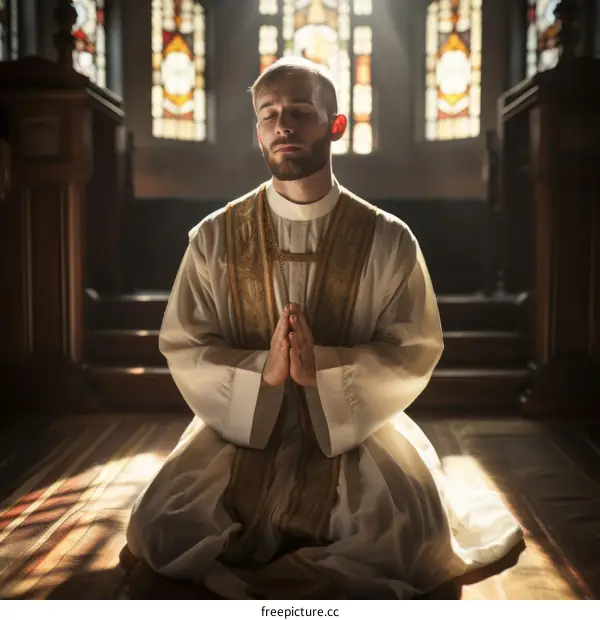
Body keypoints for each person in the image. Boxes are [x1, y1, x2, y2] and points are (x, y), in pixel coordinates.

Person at [124, 57, 524, 599]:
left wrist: (328, 372)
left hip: (353, 429)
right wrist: (261, 372)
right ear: (257, 131)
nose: (283, 125)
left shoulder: (389, 239)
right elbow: (186, 342)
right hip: (243, 424)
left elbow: (414, 347)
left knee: (405, 535)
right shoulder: (214, 237)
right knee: (162, 527)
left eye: (300, 112)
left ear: (335, 125)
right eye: (269, 115)